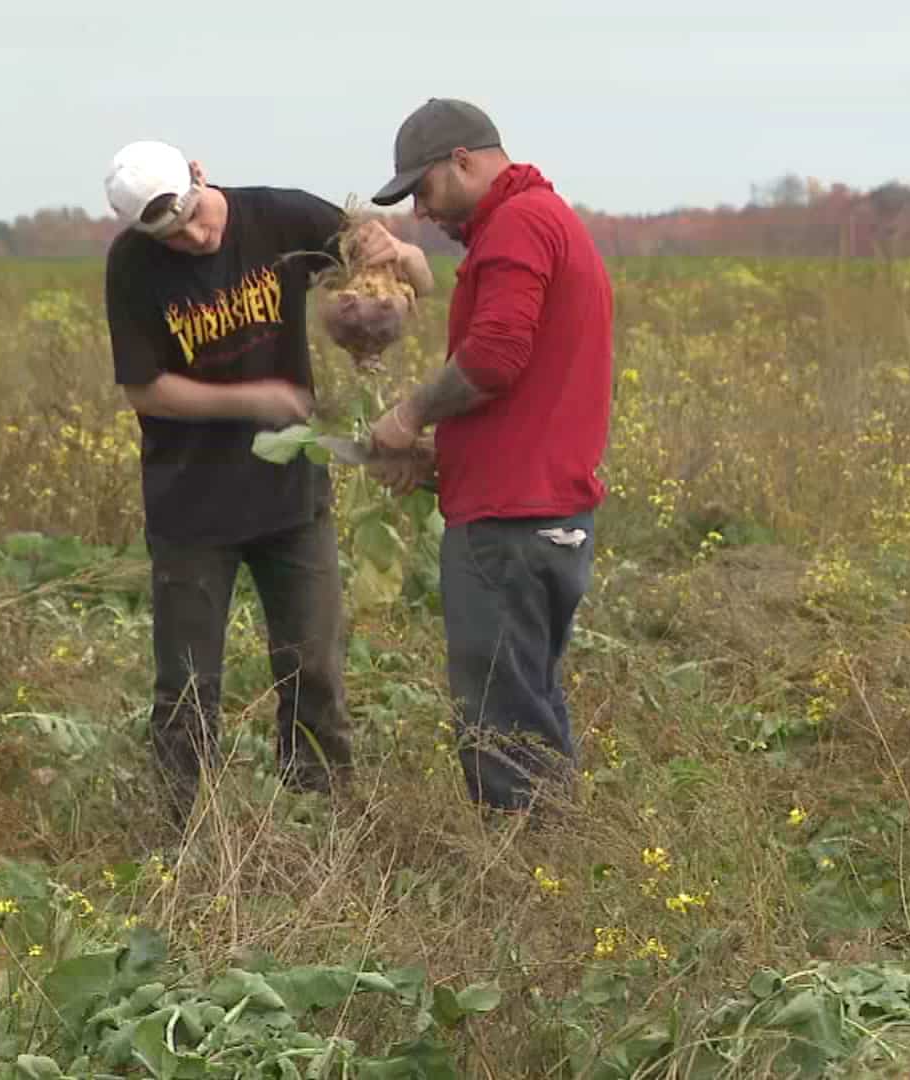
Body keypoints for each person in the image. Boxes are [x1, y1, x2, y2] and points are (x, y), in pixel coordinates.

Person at [102, 138, 433, 824]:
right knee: (188, 684)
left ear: (199, 173)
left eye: (194, 214)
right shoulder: (132, 265)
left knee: (313, 665)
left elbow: (416, 281)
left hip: (291, 498)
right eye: (171, 232)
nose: (193, 236)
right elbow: (147, 391)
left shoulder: (278, 216)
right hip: (191, 505)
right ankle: (181, 831)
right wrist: (251, 402)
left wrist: (396, 258)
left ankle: (322, 819)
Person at [363, 99, 614, 819]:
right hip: (537, 507)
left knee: (500, 715)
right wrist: (446, 457)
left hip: (512, 521)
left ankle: (523, 872)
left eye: (425, 187)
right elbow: (526, 394)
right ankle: (557, 857)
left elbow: (498, 358)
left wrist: (408, 416)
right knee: (526, 696)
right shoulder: (539, 219)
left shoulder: (517, 225)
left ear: (464, 161)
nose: (421, 209)